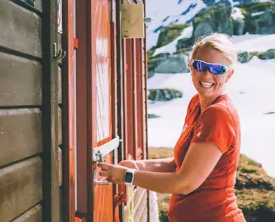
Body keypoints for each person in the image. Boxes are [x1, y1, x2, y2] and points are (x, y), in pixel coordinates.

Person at [98, 33, 246, 222]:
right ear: (191, 66)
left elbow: (184, 183)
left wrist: (128, 176)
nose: (207, 75)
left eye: (217, 69)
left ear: (229, 74)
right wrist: (139, 166)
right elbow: (182, 163)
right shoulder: (197, 104)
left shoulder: (218, 114)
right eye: (200, 66)